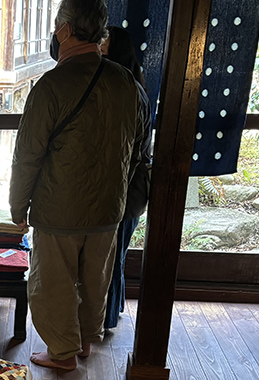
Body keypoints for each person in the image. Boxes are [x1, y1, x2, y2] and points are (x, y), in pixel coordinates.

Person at [9, 0, 145, 370]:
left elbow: (28, 155)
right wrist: (118, 193)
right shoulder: (127, 82)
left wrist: (18, 207)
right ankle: (84, 342)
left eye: (56, 25)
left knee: (54, 283)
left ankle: (62, 353)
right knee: (94, 280)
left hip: (60, 209)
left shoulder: (52, 85)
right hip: (108, 209)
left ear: (66, 30)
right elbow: (135, 149)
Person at [102, 26, 152, 331]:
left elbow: (127, 154)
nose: (97, 53)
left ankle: (106, 319)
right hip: (131, 190)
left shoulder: (128, 91)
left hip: (126, 190)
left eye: (103, 48)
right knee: (115, 255)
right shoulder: (133, 86)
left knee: (111, 257)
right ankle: (115, 307)